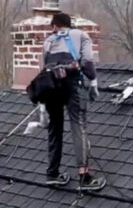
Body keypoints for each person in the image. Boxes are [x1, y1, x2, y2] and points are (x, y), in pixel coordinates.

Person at [39, 12, 103, 191]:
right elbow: (88, 63)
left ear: (55, 26)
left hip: (52, 85)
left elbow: (43, 70)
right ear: (69, 24)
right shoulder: (82, 36)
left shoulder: (48, 41)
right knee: (78, 124)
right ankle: (84, 176)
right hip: (72, 84)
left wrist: (42, 105)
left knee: (55, 127)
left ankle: (52, 174)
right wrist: (93, 82)